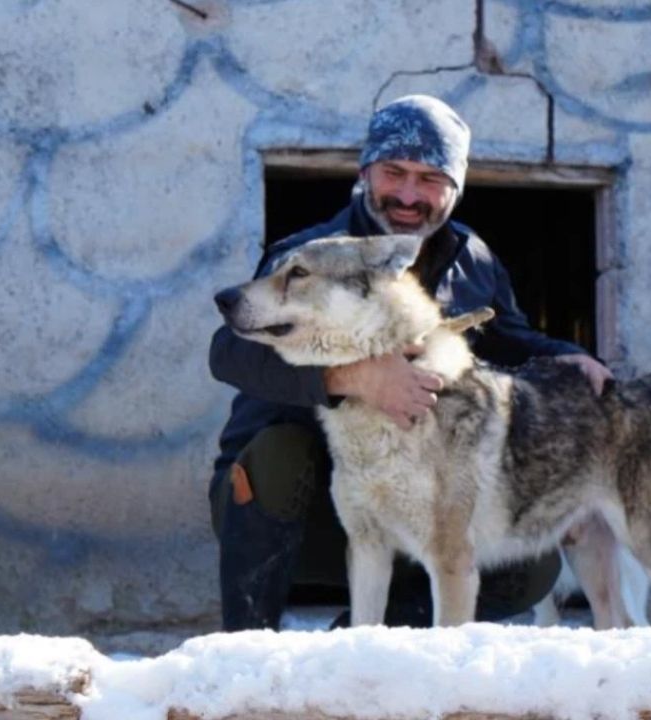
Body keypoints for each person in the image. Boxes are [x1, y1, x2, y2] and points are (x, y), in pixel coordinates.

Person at [208, 94, 612, 631]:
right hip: (297, 508)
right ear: (365, 172)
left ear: (455, 187)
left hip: (419, 486)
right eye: (393, 172)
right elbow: (228, 350)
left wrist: (571, 355)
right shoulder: (308, 256)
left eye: (429, 178)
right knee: (280, 454)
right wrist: (352, 377)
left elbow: (511, 337)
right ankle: (249, 651)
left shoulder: (473, 259)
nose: (407, 193)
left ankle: (383, 635)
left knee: (531, 567)